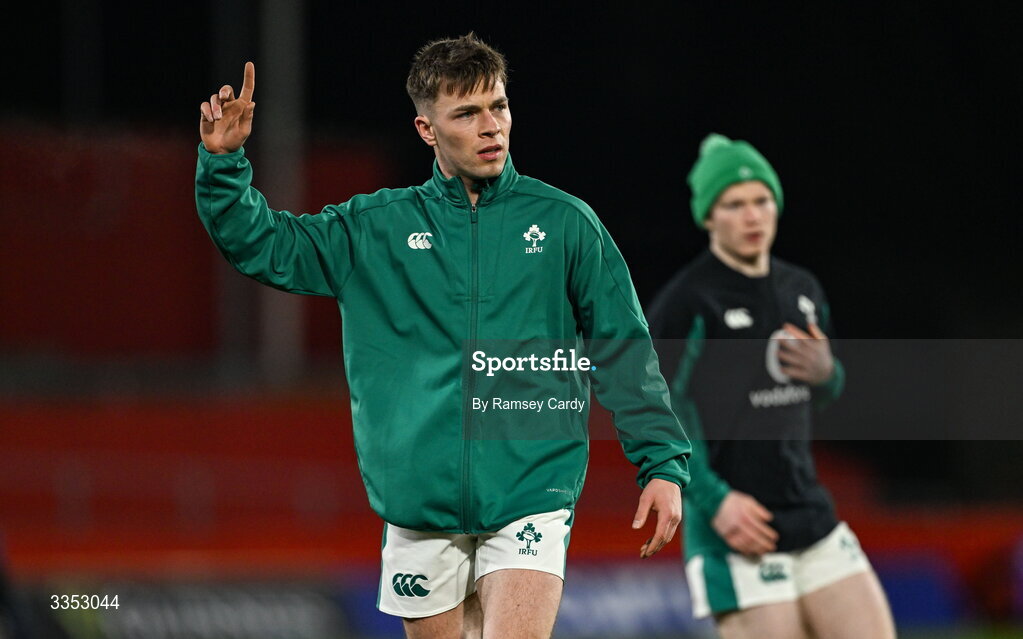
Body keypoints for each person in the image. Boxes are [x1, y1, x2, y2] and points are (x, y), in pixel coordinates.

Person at [195, 33, 690, 639]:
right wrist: (224, 165)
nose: (492, 127)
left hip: (531, 486)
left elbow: (624, 347)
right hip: (418, 505)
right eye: (467, 113)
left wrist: (662, 463)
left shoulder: (566, 224)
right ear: (427, 130)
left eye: (499, 106)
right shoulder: (374, 228)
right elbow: (266, 244)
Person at [646, 134, 896, 639]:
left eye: (761, 200)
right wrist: (717, 503)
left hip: (810, 515)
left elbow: (822, 393)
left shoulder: (801, 290)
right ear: (708, 217)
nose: (753, 215)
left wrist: (829, 374)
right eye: (734, 204)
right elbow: (654, 414)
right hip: (737, 530)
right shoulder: (688, 303)